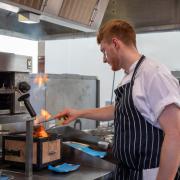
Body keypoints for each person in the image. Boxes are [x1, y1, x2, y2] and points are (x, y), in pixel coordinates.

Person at [54, 19, 180, 180]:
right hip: (128, 172)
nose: (104, 59)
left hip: (149, 173)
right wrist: (78, 113)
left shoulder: (153, 73)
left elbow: (175, 133)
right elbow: (119, 109)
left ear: (115, 43)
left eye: (104, 51)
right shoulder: (130, 76)